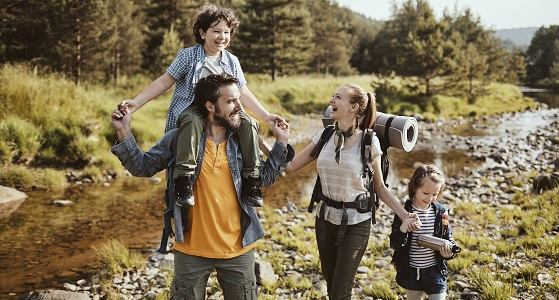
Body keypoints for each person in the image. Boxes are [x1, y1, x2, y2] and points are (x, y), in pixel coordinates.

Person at [111, 73, 294, 300]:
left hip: (239, 249)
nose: (239, 106)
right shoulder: (179, 139)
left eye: (238, 99)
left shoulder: (243, 141)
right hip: (191, 251)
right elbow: (143, 167)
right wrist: (123, 131)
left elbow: (263, 178)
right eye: (230, 101)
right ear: (210, 105)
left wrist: (282, 142)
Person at [118, 4, 283, 209]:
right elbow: (164, 82)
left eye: (226, 32)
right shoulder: (188, 56)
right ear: (203, 33)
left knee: (248, 123)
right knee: (193, 120)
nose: (222, 36)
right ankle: (183, 180)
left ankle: (252, 180)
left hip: (223, 113)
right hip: (192, 109)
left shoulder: (232, 61)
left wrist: (266, 117)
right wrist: (136, 102)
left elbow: (243, 93)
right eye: (216, 31)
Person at [285, 83, 420, 299]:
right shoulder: (325, 135)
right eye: (333, 96)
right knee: (332, 287)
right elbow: (290, 166)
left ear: (354, 107)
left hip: (356, 224)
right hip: (325, 219)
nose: (332, 101)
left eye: (338, 97)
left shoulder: (369, 142)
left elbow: (379, 187)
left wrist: (404, 215)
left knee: (340, 292)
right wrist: (269, 141)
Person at [390, 164, 458, 300]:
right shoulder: (404, 212)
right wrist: (403, 228)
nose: (430, 198)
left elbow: (448, 237)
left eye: (435, 194)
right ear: (415, 187)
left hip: (435, 271)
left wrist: (449, 253)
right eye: (426, 193)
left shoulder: (441, 213)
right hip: (411, 272)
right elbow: (394, 244)